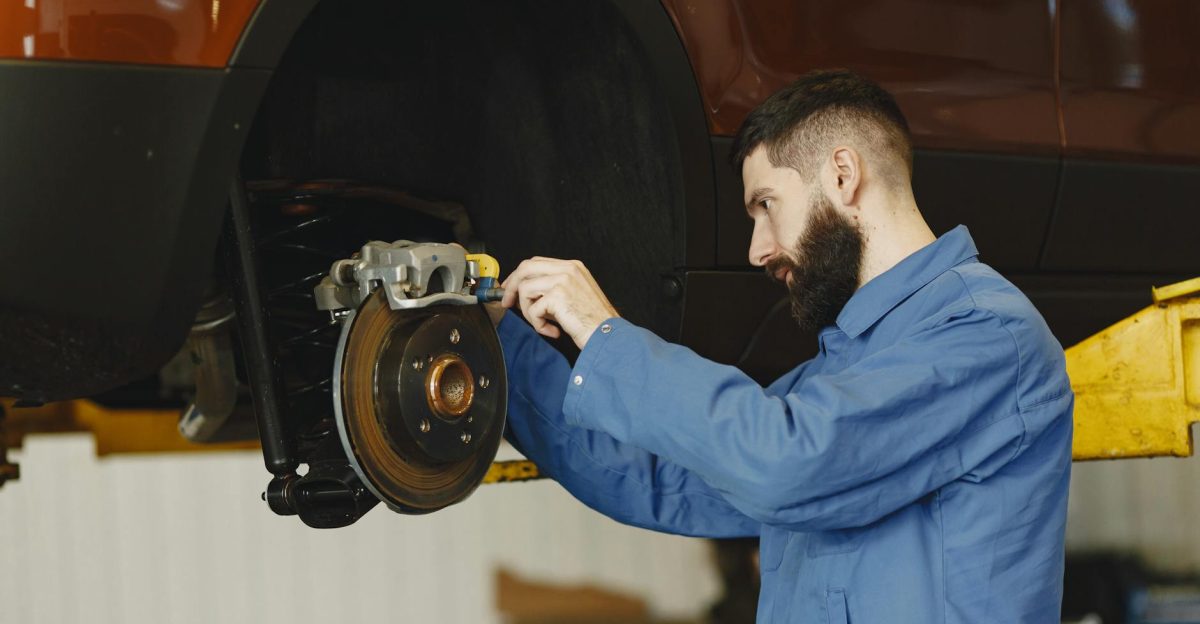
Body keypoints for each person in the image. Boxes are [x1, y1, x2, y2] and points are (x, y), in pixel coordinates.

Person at [488, 69, 1073, 623]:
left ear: (843, 175)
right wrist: (497, 344)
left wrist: (604, 331)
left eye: (766, 205)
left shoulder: (987, 337)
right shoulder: (839, 375)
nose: (757, 249)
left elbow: (788, 461)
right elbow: (656, 477)